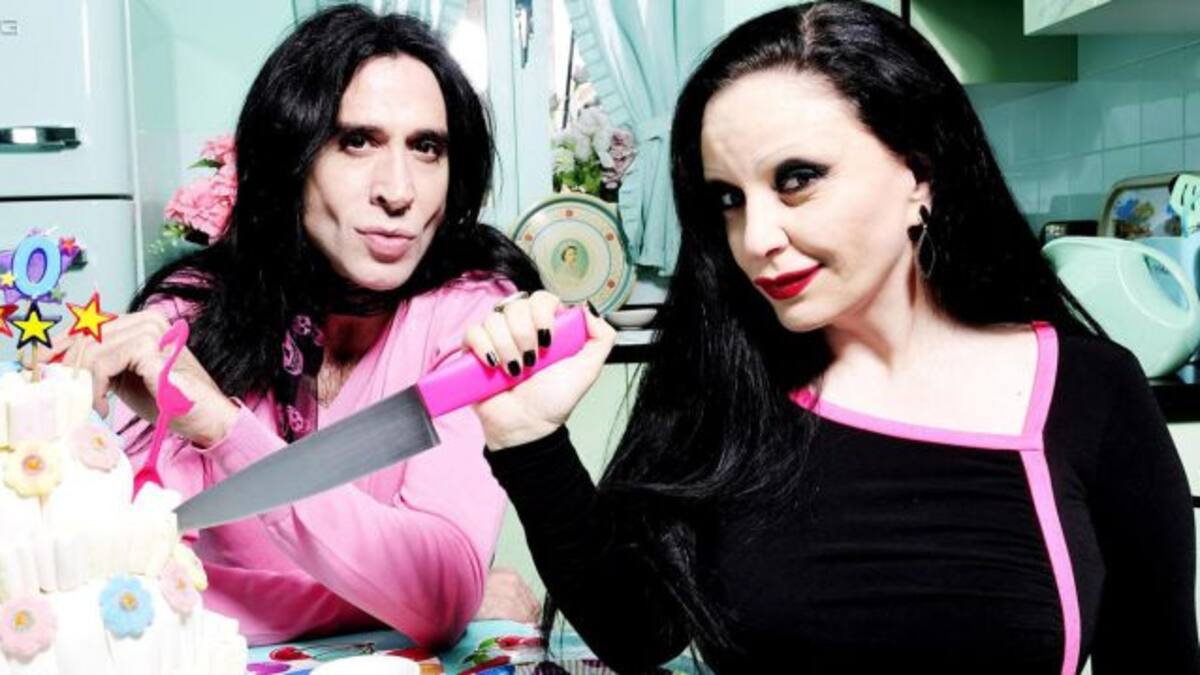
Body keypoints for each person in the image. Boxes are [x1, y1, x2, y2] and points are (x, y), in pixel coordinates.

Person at [463, 2, 1200, 673]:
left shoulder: (1090, 392)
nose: (755, 237)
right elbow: (638, 632)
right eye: (729, 199)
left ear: (918, 174)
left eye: (797, 179)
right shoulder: (730, 384)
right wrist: (528, 439)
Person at [50, 6, 542, 647]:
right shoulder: (189, 314)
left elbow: (438, 592)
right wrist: (397, 602)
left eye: (427, 148)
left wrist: (222, 429)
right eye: (357, 141)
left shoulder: (472, 316)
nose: (398, 191)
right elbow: (133, 587)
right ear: (292, 156)